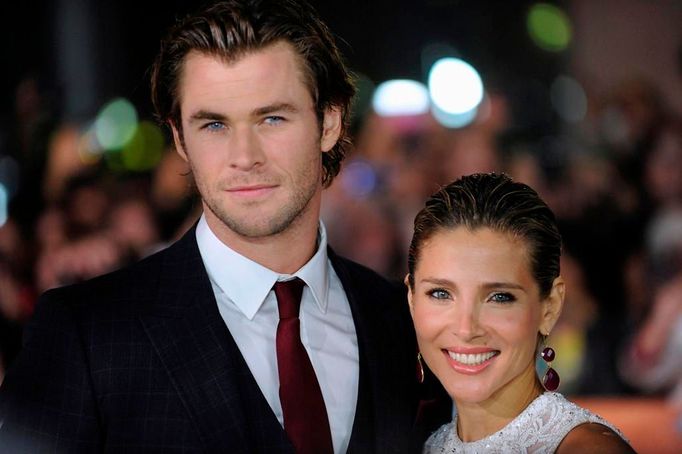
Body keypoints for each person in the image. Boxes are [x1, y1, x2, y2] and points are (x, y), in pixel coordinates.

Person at [0, 1, 432, 452]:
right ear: (180, 139)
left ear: (329, 121)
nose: (244, 156)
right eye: (213, 125)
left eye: (272, 118)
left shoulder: (401, 321)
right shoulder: (85, 335)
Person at [405, 173, 634, 453]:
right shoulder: (421, 445)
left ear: (549, 307)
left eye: (499, 297)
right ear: (412, 299)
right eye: (440, 294)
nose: (466, 328)